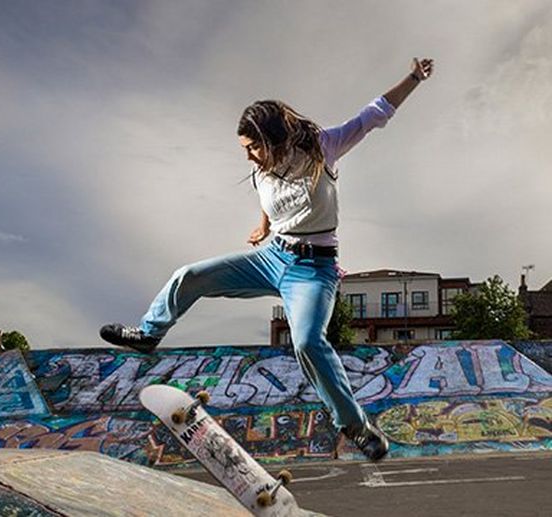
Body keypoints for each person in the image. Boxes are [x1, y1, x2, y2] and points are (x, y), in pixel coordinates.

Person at [101, 58, 435, 461]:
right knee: (190, 276)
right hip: (272, 256)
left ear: (275, 139)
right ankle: (150, 332)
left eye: (253, 147)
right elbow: (271, 199)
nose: (249, 158)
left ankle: (357, 427)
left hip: (313, 269)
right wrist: (263, 226)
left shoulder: (323, 147)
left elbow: (373, 114)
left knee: (308, 342)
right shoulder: (260, 170)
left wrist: (414, 78)